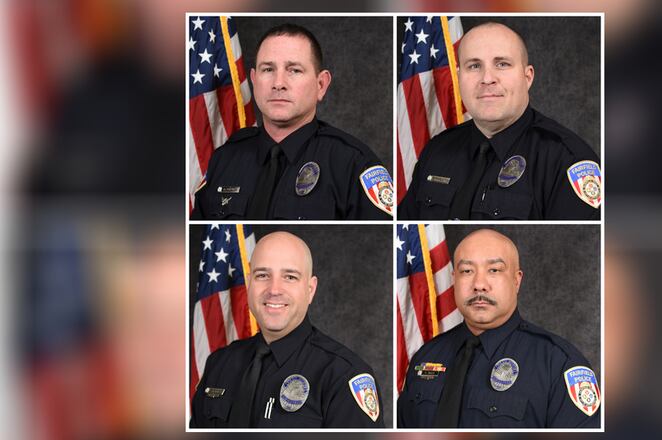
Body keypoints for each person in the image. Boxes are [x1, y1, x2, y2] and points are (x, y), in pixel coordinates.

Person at [397, 229, 600, 428]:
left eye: (494, 270)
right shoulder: (425, 356)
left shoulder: (557, 364)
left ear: (516, 280)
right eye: (467, 271)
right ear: (454, 279)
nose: (479, 284)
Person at [399, 22, 601, 220]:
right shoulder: (437, 150)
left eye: (502, 64)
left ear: (528, 77)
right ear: (459, 77)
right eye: (474, 65)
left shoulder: (566, 160)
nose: (487, 78)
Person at [191, 23, 393, 220]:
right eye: (268, 70)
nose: (278, 84)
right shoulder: (224, 159)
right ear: (254, 80)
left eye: (294, 70)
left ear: (321, 84)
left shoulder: (354, 164)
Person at [191, 232, 384, 428]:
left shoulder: (342, 375)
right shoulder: (219, 364)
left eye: (290, 277)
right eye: (263, 275)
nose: (274, 289)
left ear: (310, 290)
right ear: (249, 284)